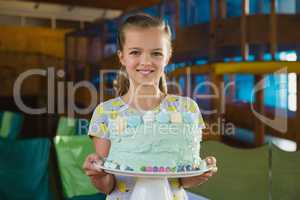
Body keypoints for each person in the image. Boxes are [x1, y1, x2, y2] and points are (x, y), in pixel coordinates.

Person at [83, 13, 217, 200]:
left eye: (156, 53)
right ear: (122, 57)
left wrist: (198, 175)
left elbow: (182, 179)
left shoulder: (187, 109)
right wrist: (98, 175)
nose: (146, 61)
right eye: (135, 52)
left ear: (168, 56)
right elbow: (108, 184)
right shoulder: (105, 113)